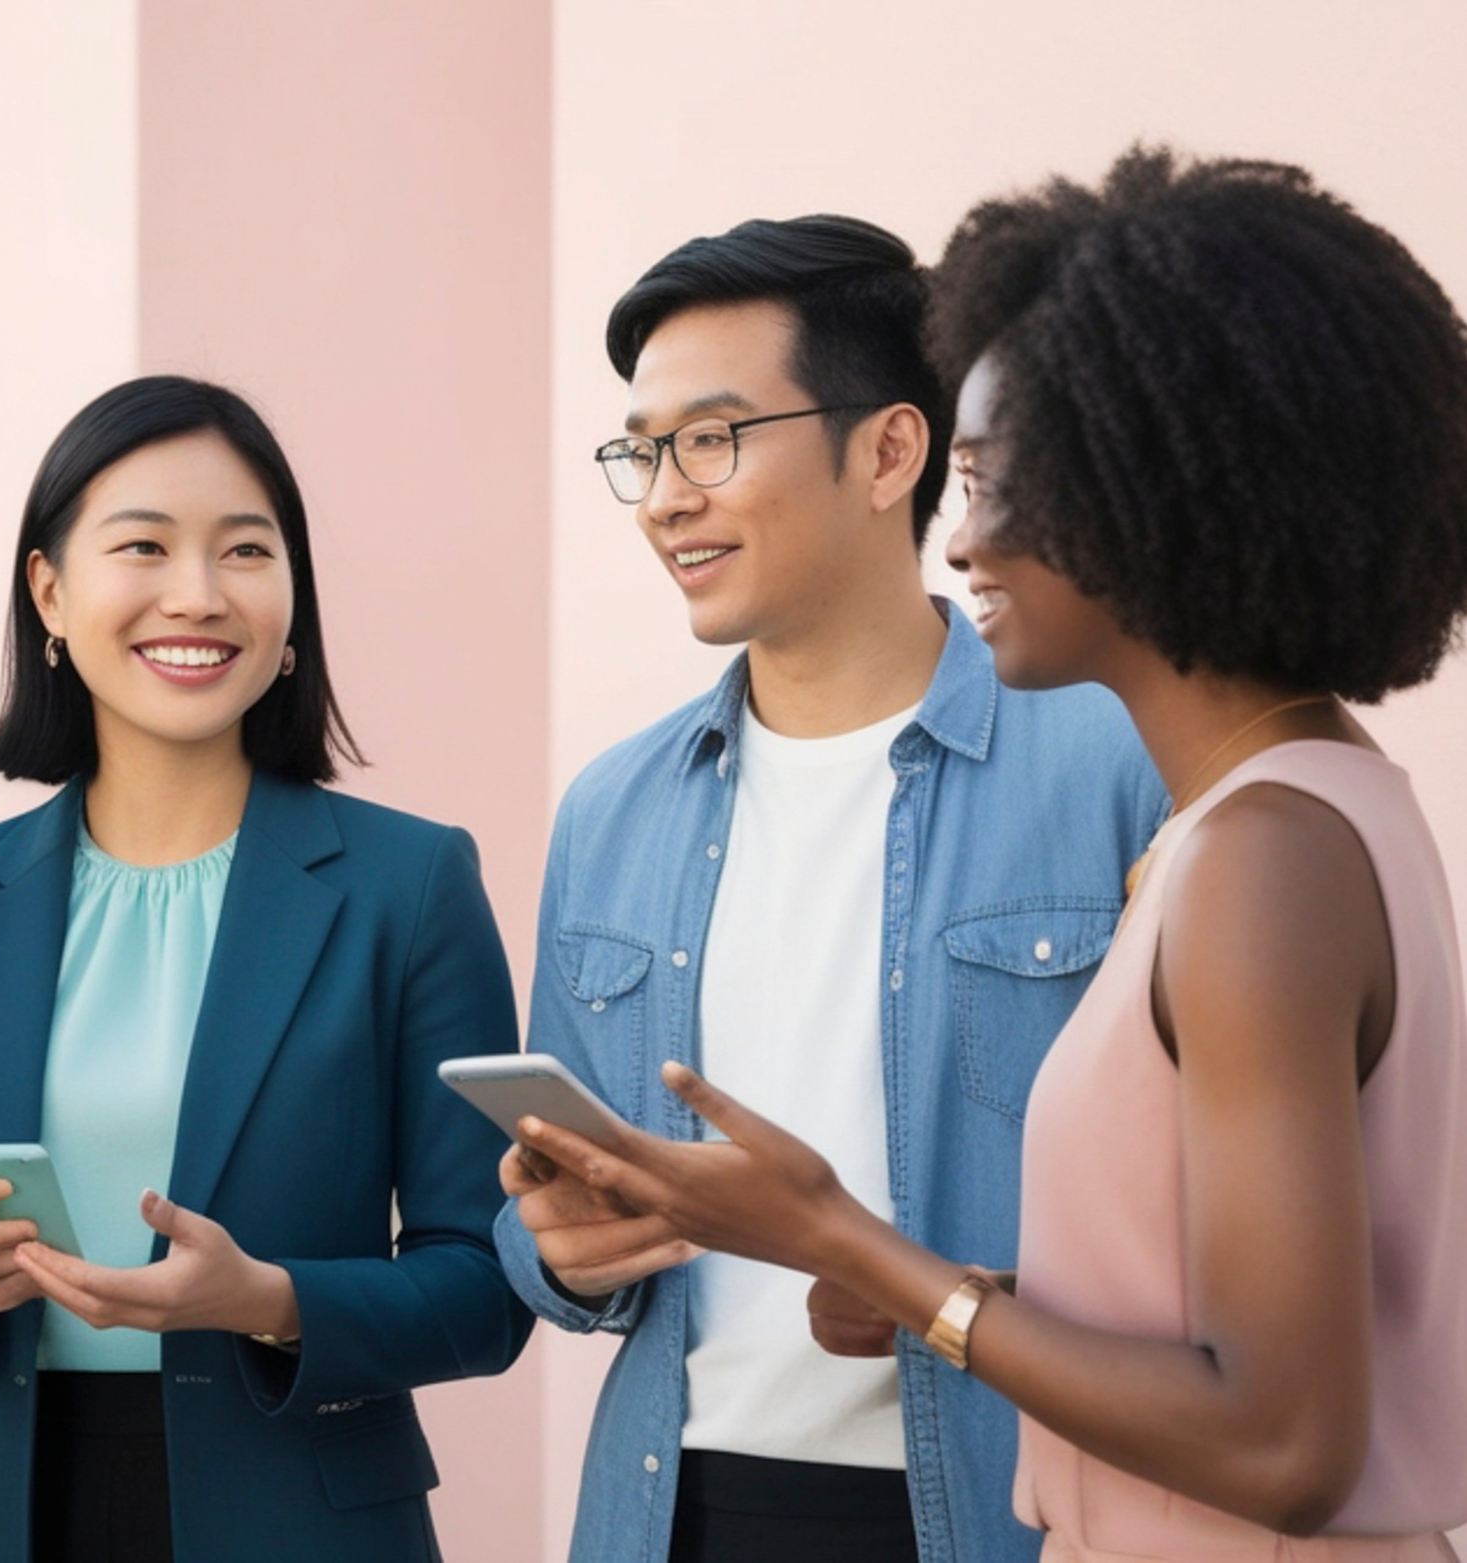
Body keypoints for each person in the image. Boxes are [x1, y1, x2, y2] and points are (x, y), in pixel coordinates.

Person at [515, 148, 1467, 1562]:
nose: (962, 539)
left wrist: (858, 1249)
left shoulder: (1246, 840)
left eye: (990, 476)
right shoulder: (1295, 805)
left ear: (1149, 484)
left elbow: (1284, 1432)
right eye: (639, 451)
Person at [494, 215, 1166, 1563]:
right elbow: (528, 1227)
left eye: (713, 437)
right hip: (671, 1502)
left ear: (887, 451)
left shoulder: (1116, 756)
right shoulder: (610, 811)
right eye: (643, 451)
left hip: (997, 1506)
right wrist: (554, 1245)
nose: (667, 494)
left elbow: (1225, 1230)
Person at [0, 376, 533, 1562]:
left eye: (247, 550)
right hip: (16, 1520)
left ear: (291, 603)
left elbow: (489, 1284)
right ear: (50, 589)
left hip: (309, 1522)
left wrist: (268, 1302)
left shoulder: (411, 887)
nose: (197, 594)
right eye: (142, 545)